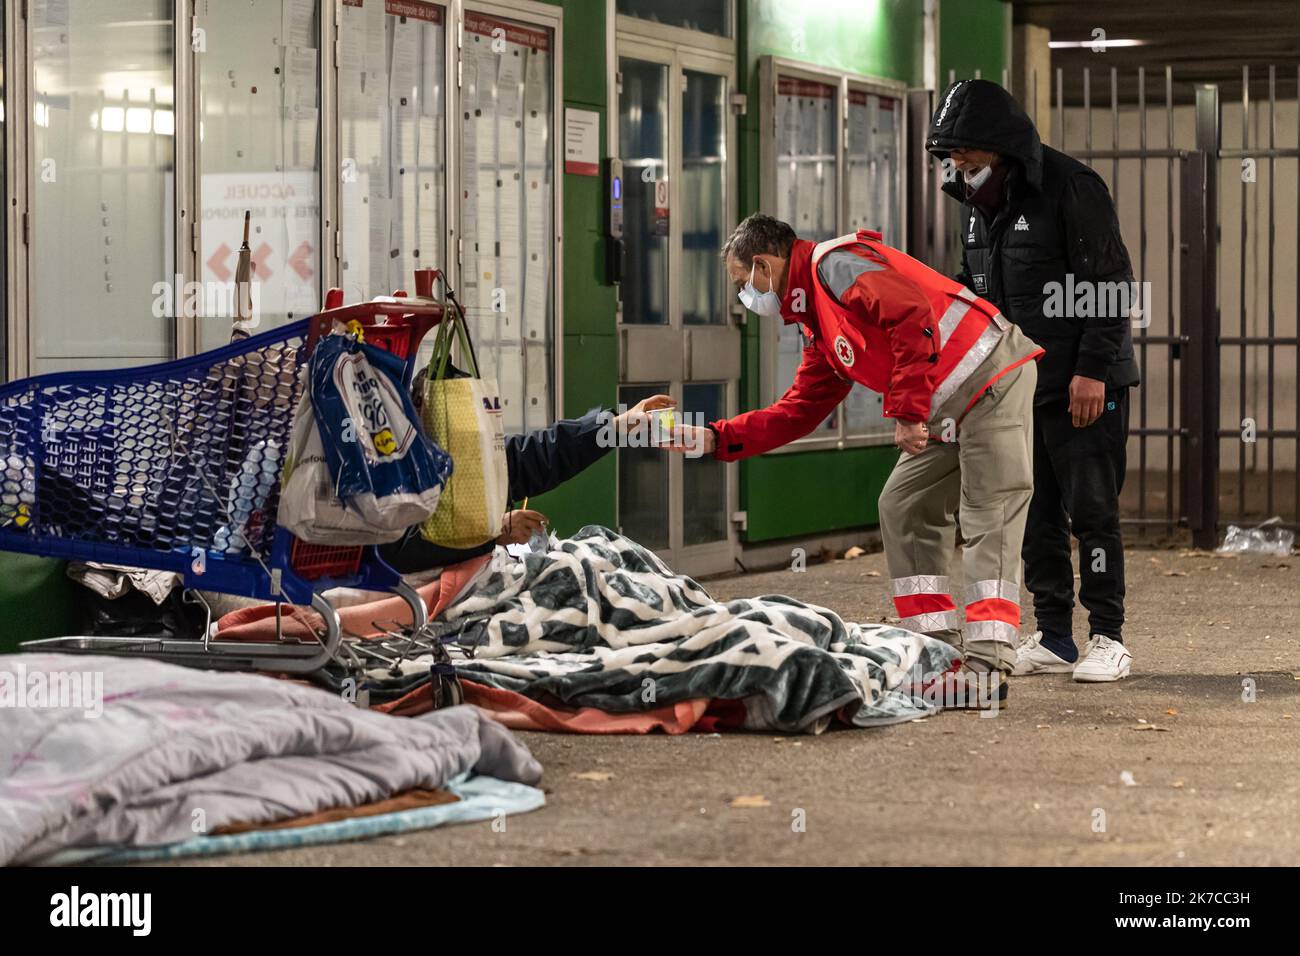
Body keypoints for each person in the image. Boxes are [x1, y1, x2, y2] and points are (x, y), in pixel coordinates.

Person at [665, 213, 1043, 708]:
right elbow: (798, 412)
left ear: (762, 264)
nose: (746, 296)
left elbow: (910, 314)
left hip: (989, 375)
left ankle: (988, 666)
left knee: (988, 513)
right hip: (944, 400)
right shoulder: (818, 320)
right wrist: (715, 438)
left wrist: (906, 412)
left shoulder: (834, 266)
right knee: (904, 505)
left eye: (743, 283)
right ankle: (937, 649)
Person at [926, 79, 1139, 682]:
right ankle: (1054, 636)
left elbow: (1110, 283)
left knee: (1093, 511)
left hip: (1083, 384)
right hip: (1017, 389)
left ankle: (1108, 636)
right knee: (1036, 511)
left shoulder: (1071, 188)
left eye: (968, 158)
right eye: (952, 159)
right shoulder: (977, 209)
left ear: (1002, 149)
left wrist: (1093, 371)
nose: (959, 169)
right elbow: (976, 299)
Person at [380, 395, 672, 573]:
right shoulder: (364, 474)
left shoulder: (427, 455)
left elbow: (523, 459)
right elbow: (394, 550)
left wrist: (616, 426)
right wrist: (492, 531)